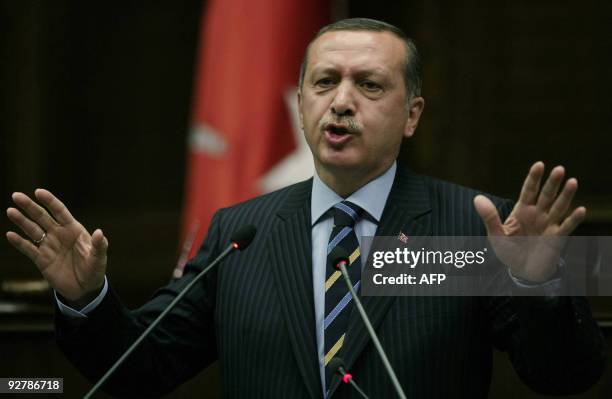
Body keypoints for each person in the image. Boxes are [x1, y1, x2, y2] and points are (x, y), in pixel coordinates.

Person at [6, 18, 605, 398]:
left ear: (413, 114)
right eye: (324, 84)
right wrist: (86, 299)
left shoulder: (473, 228)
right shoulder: (240, 232)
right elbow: (142, 372)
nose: (341, 102)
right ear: (300, 105)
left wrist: (541, 282)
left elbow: (565, 377)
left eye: (368, 85)